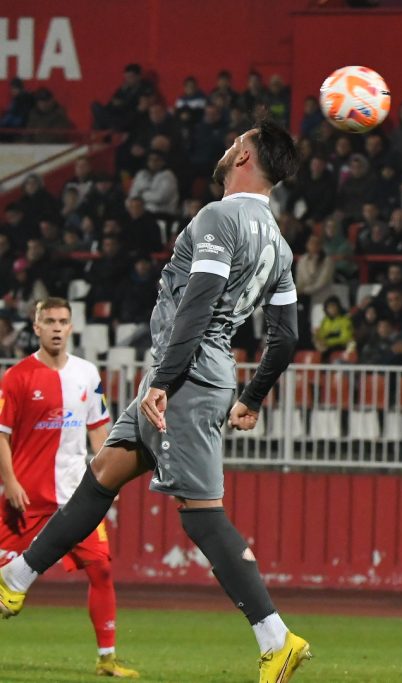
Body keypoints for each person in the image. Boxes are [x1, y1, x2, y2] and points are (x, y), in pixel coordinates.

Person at [0, 119, 312, 683]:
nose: (227, 145)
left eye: (235, 140)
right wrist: (253, 397)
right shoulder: (280, 243)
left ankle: (276, 638)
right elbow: (286, 335)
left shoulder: (221, 216)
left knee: (202, 514)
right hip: (194, 374)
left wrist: (166, 381)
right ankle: (16, 579)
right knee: (102, 474)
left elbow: (199, 302)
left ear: (245, 154)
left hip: (186, 377)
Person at [0, 299, 139, 678]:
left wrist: (109, 477)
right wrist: (9, 481)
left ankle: (107, 659)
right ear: (37, 326)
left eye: (63, 321)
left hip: (77, 500)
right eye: (49, 321)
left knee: (102, 570)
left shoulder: (87, 374)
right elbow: (2, 435)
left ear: (71, 326)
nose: (57, 328)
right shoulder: (16, 377)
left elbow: (99, 431)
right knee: (4, 594)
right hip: (25, 498)